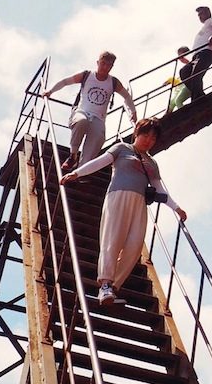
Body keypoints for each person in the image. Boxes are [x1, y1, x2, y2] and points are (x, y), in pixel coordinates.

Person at [61, 117, 187, 305]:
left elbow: (159, 189)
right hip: (118, 196)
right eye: (146, 135)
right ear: (137, 132)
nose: (149, 140)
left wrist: (176, 208)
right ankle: (105, 284)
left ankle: (113, 286)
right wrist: (77, 173)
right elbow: (100, 162)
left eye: (153, 138)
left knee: (134, 246)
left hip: (139, 204)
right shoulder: (122, 148)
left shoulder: (152, 163)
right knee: (112, 240)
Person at [43, 51, 137, 172]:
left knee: (98, 137)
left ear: (112, 67)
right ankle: (73, 156)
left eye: (109, 65)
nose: (105, 67)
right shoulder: (87, 75)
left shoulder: (113, 82)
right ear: (98, 63)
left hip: (98, 118)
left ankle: (81, 171)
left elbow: (127, 96)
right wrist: (50, 91)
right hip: (82, 112)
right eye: (103, 63)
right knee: (82, 122)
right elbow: (65, 81)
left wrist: (133, 112)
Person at [180, 6, 212, 101]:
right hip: (197, 55)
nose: (199, 16)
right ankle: (199, 95)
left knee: (196, 76)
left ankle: (197, 99)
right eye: (198, 15)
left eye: (201, 13)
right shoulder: (205, 26)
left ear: (208, 13)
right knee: (184, 72)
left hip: (206, 52)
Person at [164, 47, 192, 113]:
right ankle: (165, 117)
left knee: (178, 101)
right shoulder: (183, 69)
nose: (179, 58)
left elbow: (190, 63)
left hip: (189, 86)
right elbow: (177, 81)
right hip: (182, 87)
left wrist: (184, 58)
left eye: (180, 56)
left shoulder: (191, 61)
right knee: (171, 102)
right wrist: (169, 81)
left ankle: (186, 115)